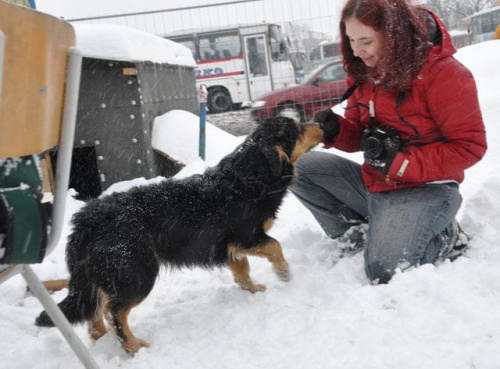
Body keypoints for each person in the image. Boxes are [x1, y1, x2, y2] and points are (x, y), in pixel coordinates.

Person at [290, 0, 487, 284]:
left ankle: (445, 237)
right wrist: (335, 130)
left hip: (428, 190)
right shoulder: (366, 71)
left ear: (394, 35)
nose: (357, 51)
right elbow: (362, 134)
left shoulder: (445, 74)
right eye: (351, 40)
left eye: (366, 41)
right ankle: (359, 234)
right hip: (379, 183)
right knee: (294, 164)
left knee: (385, 270)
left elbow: (470, 146)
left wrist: (401, 162)